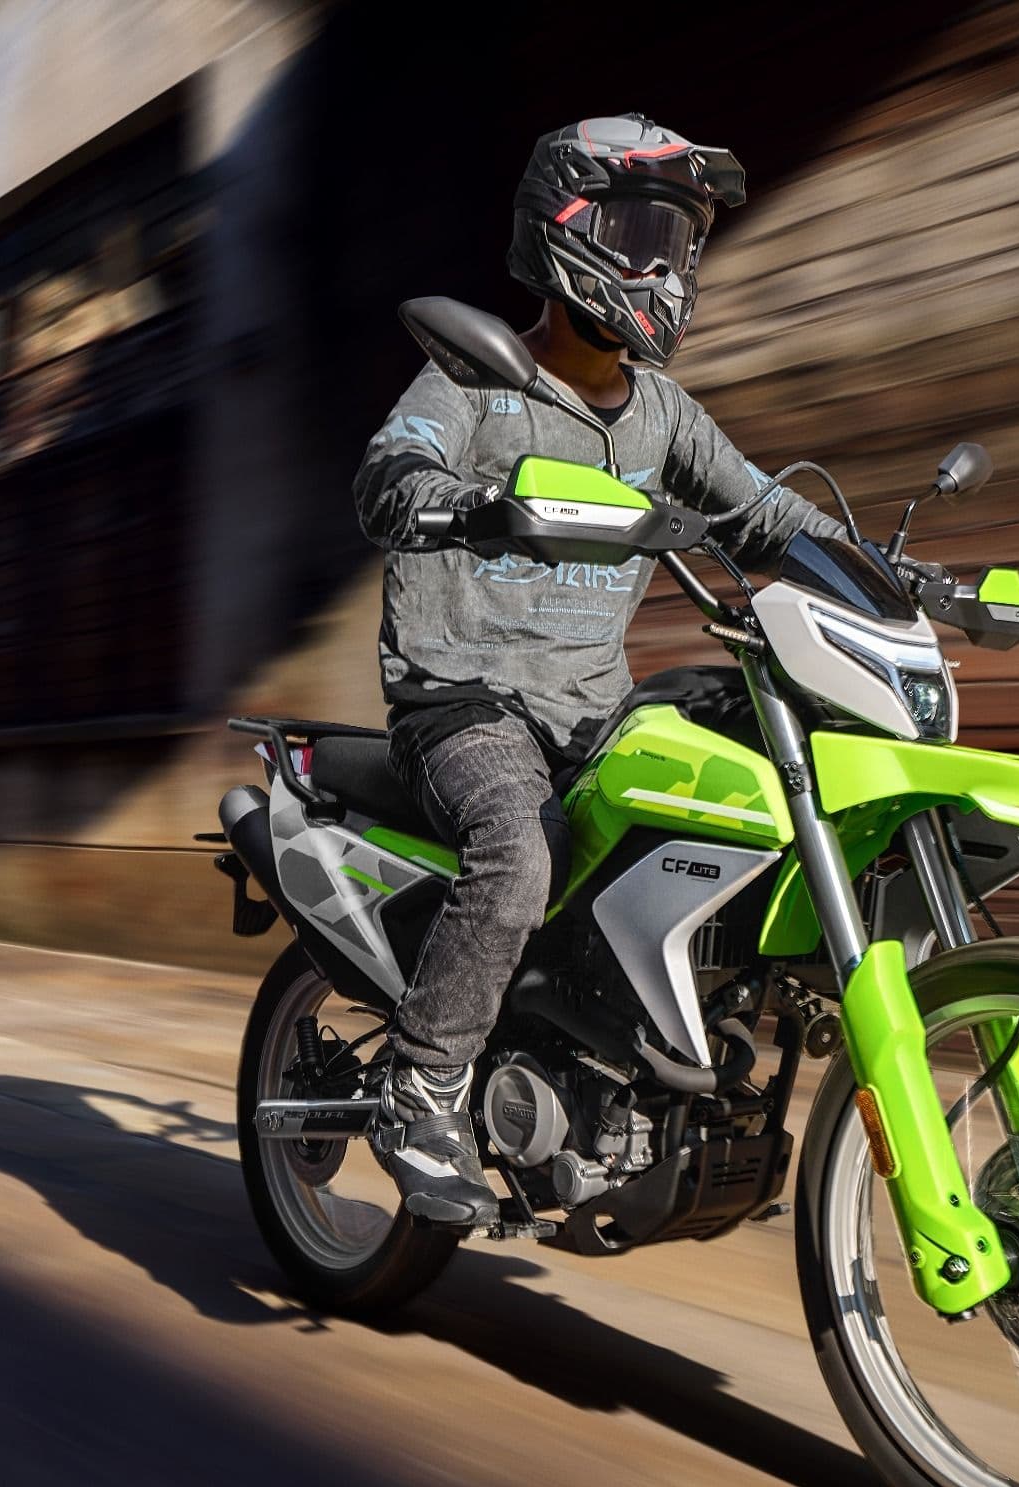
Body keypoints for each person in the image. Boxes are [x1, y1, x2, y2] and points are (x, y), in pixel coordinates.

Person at [350, 114, 849, 1226]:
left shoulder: (662, 413)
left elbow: (762, 513)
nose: (665, 266)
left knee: (731, 808)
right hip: (465, 701)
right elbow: (389, 475)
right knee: (517, 856)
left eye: (679, 241)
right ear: (564, 229)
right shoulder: (477, 382)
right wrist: (468, 500)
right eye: (640, 231)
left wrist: (891, 574)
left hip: (589, 713)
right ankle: (418, 1086)